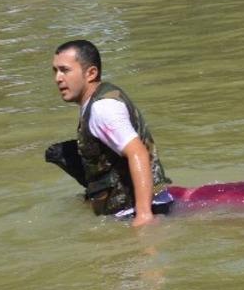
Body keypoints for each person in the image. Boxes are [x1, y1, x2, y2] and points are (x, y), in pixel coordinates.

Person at [49, 40, 171, 226]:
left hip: (134, 212)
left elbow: (137, 152)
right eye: (55, 71)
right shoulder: (98, 100)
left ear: (91, 73)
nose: (58, 78)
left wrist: (144, 215)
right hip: (129, 209)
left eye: (65, 70)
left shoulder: (102, 109)